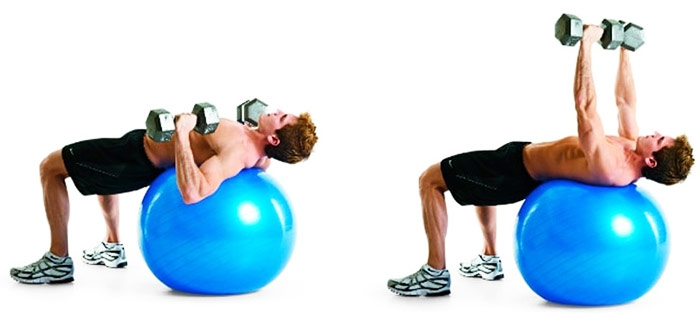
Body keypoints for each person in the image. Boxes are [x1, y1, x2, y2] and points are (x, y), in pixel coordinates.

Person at [387, 25, 694, 296]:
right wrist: (625, 49)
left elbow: (585, 107)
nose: (655, 133)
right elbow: (625, 101)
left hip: (513, 173)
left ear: (651, 161)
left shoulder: (610, 166)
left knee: (430, 180)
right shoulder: (631, 146)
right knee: (479, 186)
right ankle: (489, 259)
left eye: (660, 139)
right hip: (517, 155)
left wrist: (586, 44)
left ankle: (435, 272)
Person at [10, 106, 318, 284]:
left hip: (135, 160)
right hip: (135, 148)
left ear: (273, 137)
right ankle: (112, 247)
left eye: (280, 117)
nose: (276, 110)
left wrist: (183, 133)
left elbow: (193, 192)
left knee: (50, 167)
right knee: (100, 178)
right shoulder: (259, 150)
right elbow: (258, 154)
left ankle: (57, 261)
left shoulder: (239, 151)